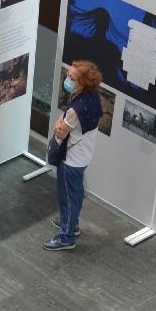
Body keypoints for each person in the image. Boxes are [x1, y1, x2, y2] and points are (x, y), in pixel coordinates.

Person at [44, 61, 103, 252]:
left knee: (69, 197)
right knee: (74, 193)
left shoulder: (75, 109)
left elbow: (60, 132)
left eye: (72, 78)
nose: (67, 80)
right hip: (83, 155)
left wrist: (57, 122)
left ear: (83, 82)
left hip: (71, 158)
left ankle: (66, 236)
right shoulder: (94, 97)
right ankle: (70, 223)